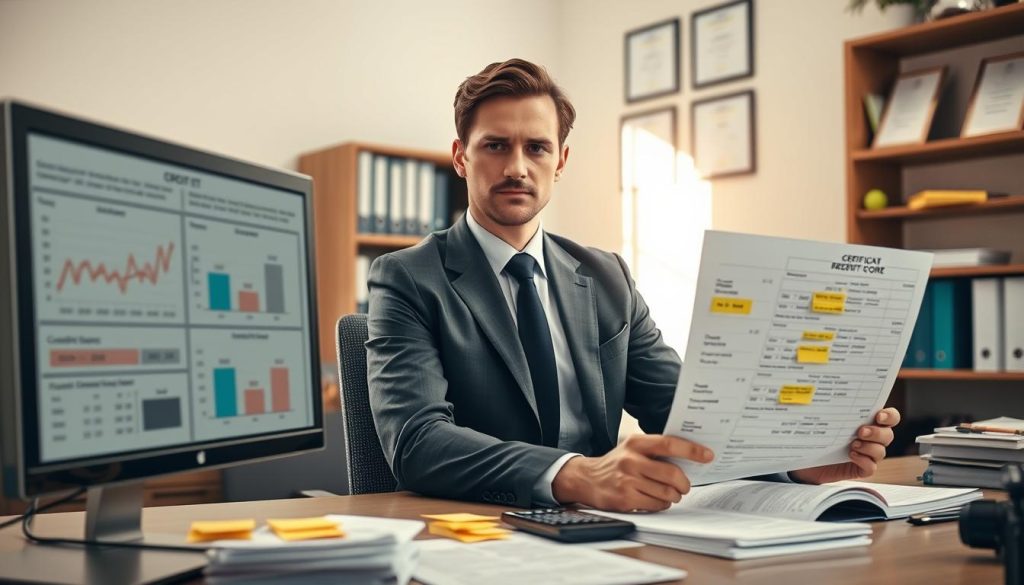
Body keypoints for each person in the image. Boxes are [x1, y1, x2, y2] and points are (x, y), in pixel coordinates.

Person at [366, 58, 899, 512]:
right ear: (461, 156)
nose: (517, 167)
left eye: (537, 148)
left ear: (562, 161)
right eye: (495, 146)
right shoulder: (408, 277)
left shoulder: (605, 277)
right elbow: (417, 441)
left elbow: (688, 416)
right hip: (478, 531)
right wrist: (576, 474)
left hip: (603, 530)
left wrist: (796, 462)